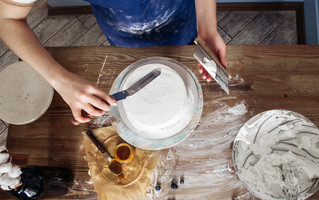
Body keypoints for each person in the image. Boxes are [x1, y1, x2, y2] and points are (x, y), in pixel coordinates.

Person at [0, 0, 226, 124]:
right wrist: (62, 81)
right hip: (123, 34)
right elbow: (7, 19)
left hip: (183, 17)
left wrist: (206, 26)